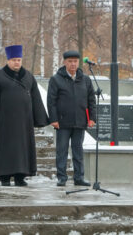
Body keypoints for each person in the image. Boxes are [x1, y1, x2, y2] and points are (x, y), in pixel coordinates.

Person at [0, 45, 49, 186]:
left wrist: (40, 118)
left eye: (19, 59)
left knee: (23, 149)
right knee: (5, 148)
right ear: (8, 60)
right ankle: (4, 177)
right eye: (14, 60)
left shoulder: (29, 77)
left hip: (24, 122)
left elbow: (36, 98)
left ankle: (20, 176)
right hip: (5, 122)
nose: (17, 62)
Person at [47, 50, 96, 187]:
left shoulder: (85, 79)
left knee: (78, 151)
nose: (73, 64)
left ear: (78, 62)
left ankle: (79, 177)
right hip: (62, 122)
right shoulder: (56, 79)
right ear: (64, 62)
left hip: (80, 121)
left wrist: (92, 118)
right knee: (61, 151)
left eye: (75, 61)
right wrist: (54, 119)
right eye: (70, 61)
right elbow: (51, 101)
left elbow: (91, 100)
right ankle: (62, 177)